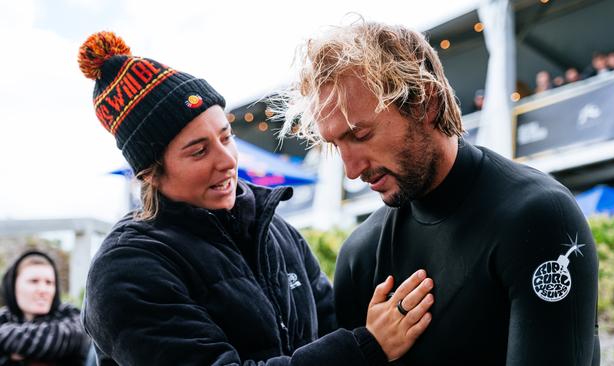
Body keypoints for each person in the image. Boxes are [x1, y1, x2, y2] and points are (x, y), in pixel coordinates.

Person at [77, 31, 434, 366]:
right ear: (150, 173)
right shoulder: (124, 272)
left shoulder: (276, 230)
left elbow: (332, 324)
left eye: (225, 136)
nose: (228, 159)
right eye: (199, 151)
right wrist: (365, 348)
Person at [277, 21, 599, 365]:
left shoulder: (538, 218)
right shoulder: (359, 255)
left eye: (360, 135)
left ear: (424, 104)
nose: (351, 170)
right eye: (335, 144)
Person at [0, 250, 89, 366]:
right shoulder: (3, 318)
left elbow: (53, 341)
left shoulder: (72, 316)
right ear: (12, 286)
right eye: (34, 281)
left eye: (49, 282)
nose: (43, 290)